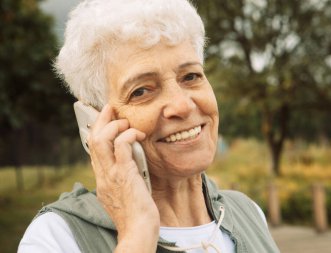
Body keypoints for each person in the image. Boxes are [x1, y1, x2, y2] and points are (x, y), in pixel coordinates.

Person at [18, 0, 280, 252]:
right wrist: (137, 232)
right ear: (95, 123)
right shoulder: (56, 237)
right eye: (141, 91)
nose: (183, 106)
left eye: (190, 76)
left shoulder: (248, 213)